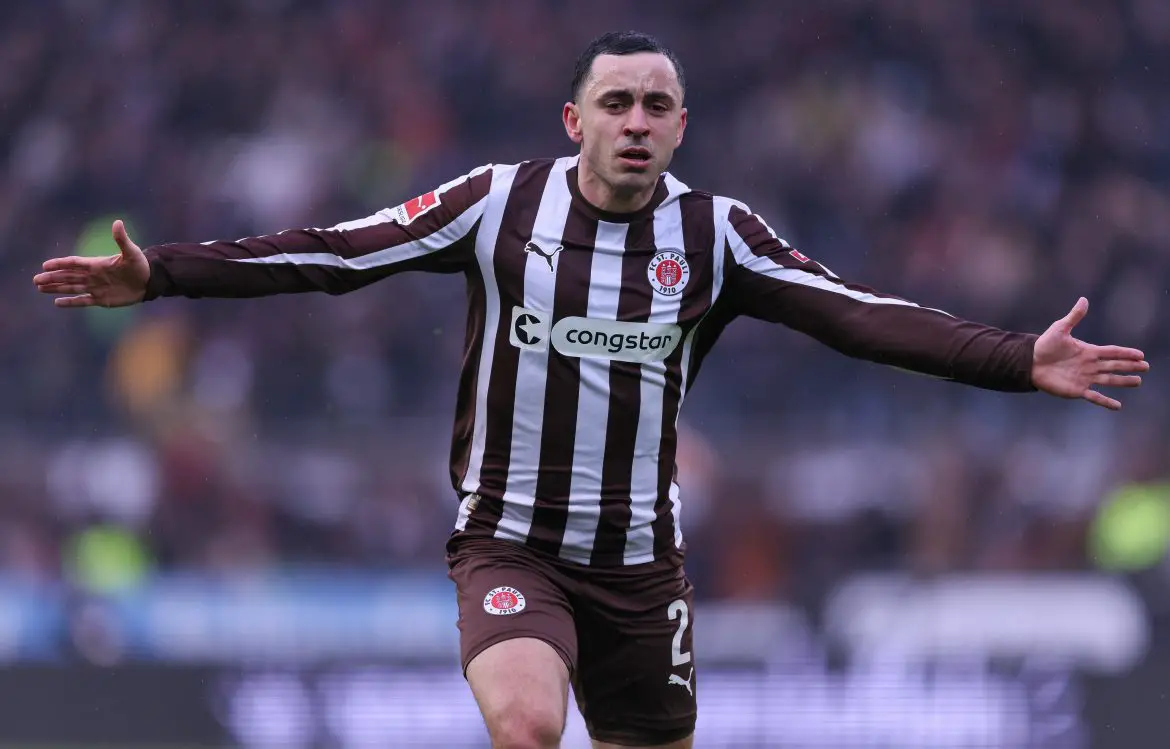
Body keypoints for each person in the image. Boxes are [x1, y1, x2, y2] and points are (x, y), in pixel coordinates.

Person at [33, 29, 1148, 749]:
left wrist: (1018, 356)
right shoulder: (496, 203)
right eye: (614, 102)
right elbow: (333, 250)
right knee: (525, 726)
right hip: (508, 539)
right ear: (575, 122)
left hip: (641, 566)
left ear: (679, 127)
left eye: (657, 105)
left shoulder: (718, 236)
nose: (635, 122)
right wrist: (164, 271)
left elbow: (861, 315)